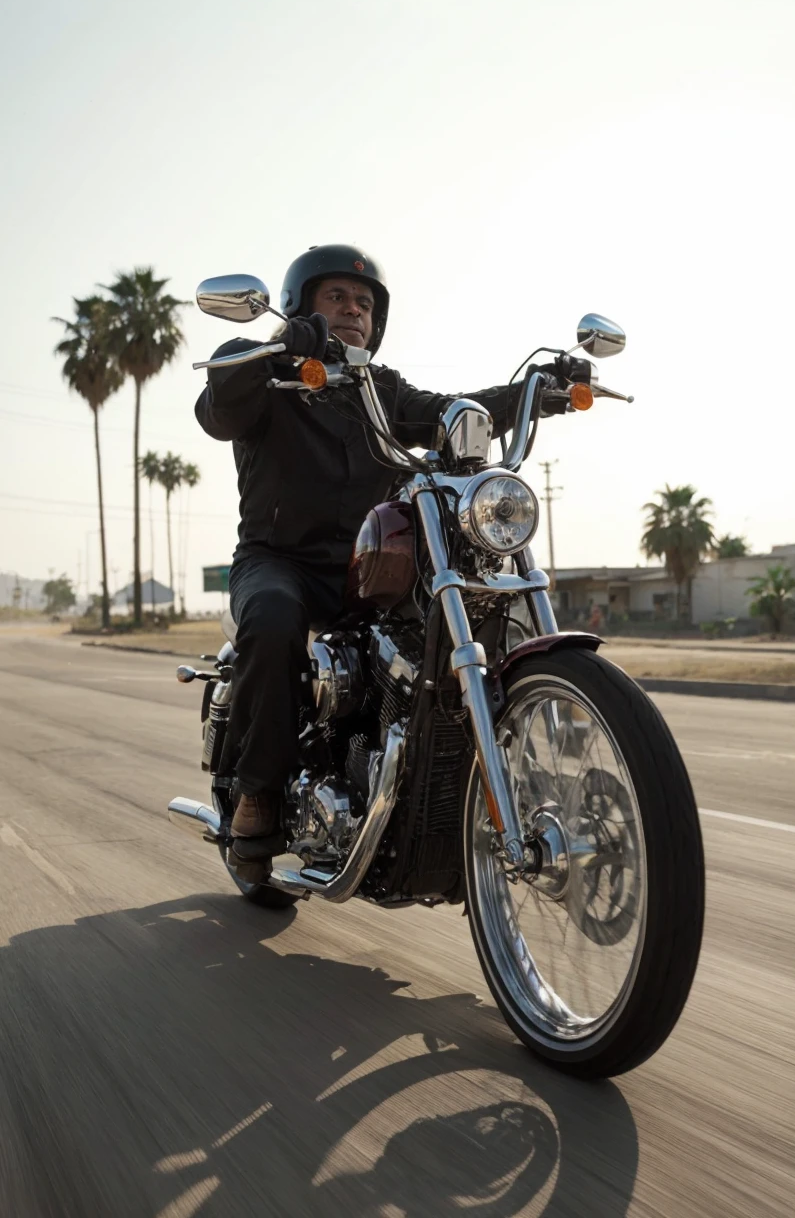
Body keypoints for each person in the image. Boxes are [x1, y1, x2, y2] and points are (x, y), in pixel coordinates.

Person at [196, 244, 541, 855]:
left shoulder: (380, 390)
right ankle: (259, 792)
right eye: (337, 297)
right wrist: (284, 346)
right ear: (301, 305)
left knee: (461, 617)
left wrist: (538, 391)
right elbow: (219, 406)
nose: (354, 310)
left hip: (369, 571)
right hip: (280, 563)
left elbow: (453, 413)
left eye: (364, 303)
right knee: (274, 619)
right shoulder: (264, 369)